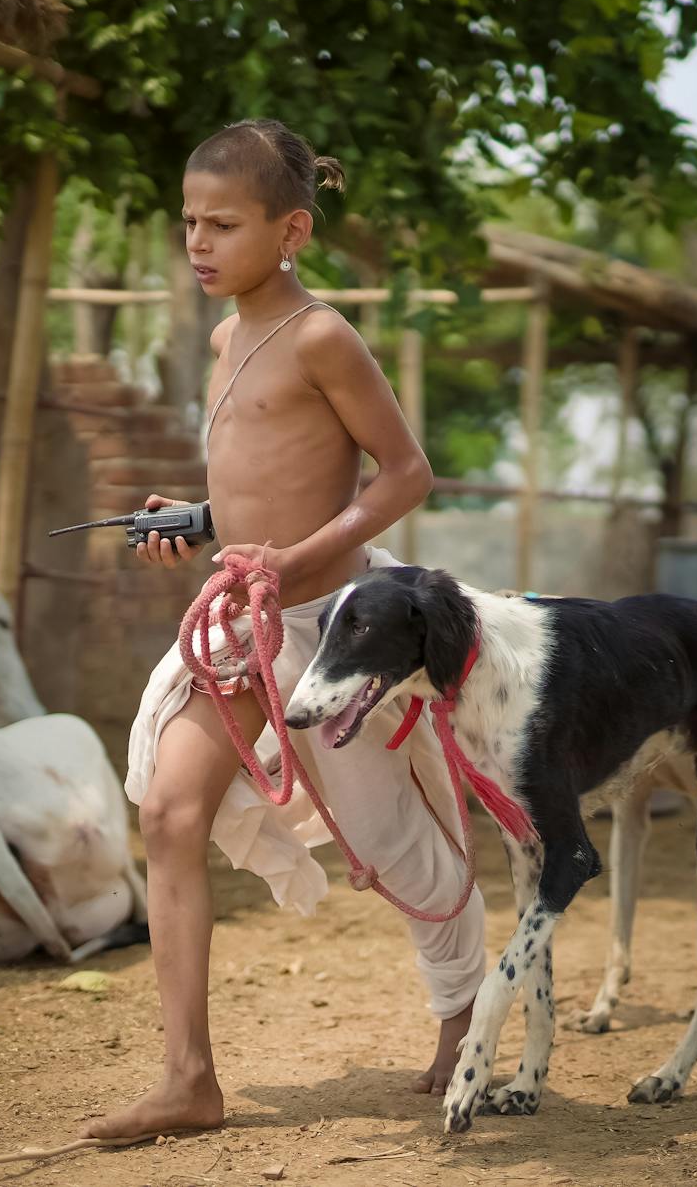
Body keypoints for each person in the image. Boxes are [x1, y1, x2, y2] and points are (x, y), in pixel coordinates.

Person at [83, 120, 486, 1140]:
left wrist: (297, 563)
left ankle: (468, 1011)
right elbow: (261, 492)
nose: (198, 242)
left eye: (223, 222)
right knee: (170, 813)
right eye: (189, 222)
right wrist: (197, 523)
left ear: (291, 227)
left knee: (386, 838)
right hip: (237, 622)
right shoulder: (225, 337)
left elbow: (406, 474)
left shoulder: (322, 336)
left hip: (331, 626)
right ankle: (188, 1079)